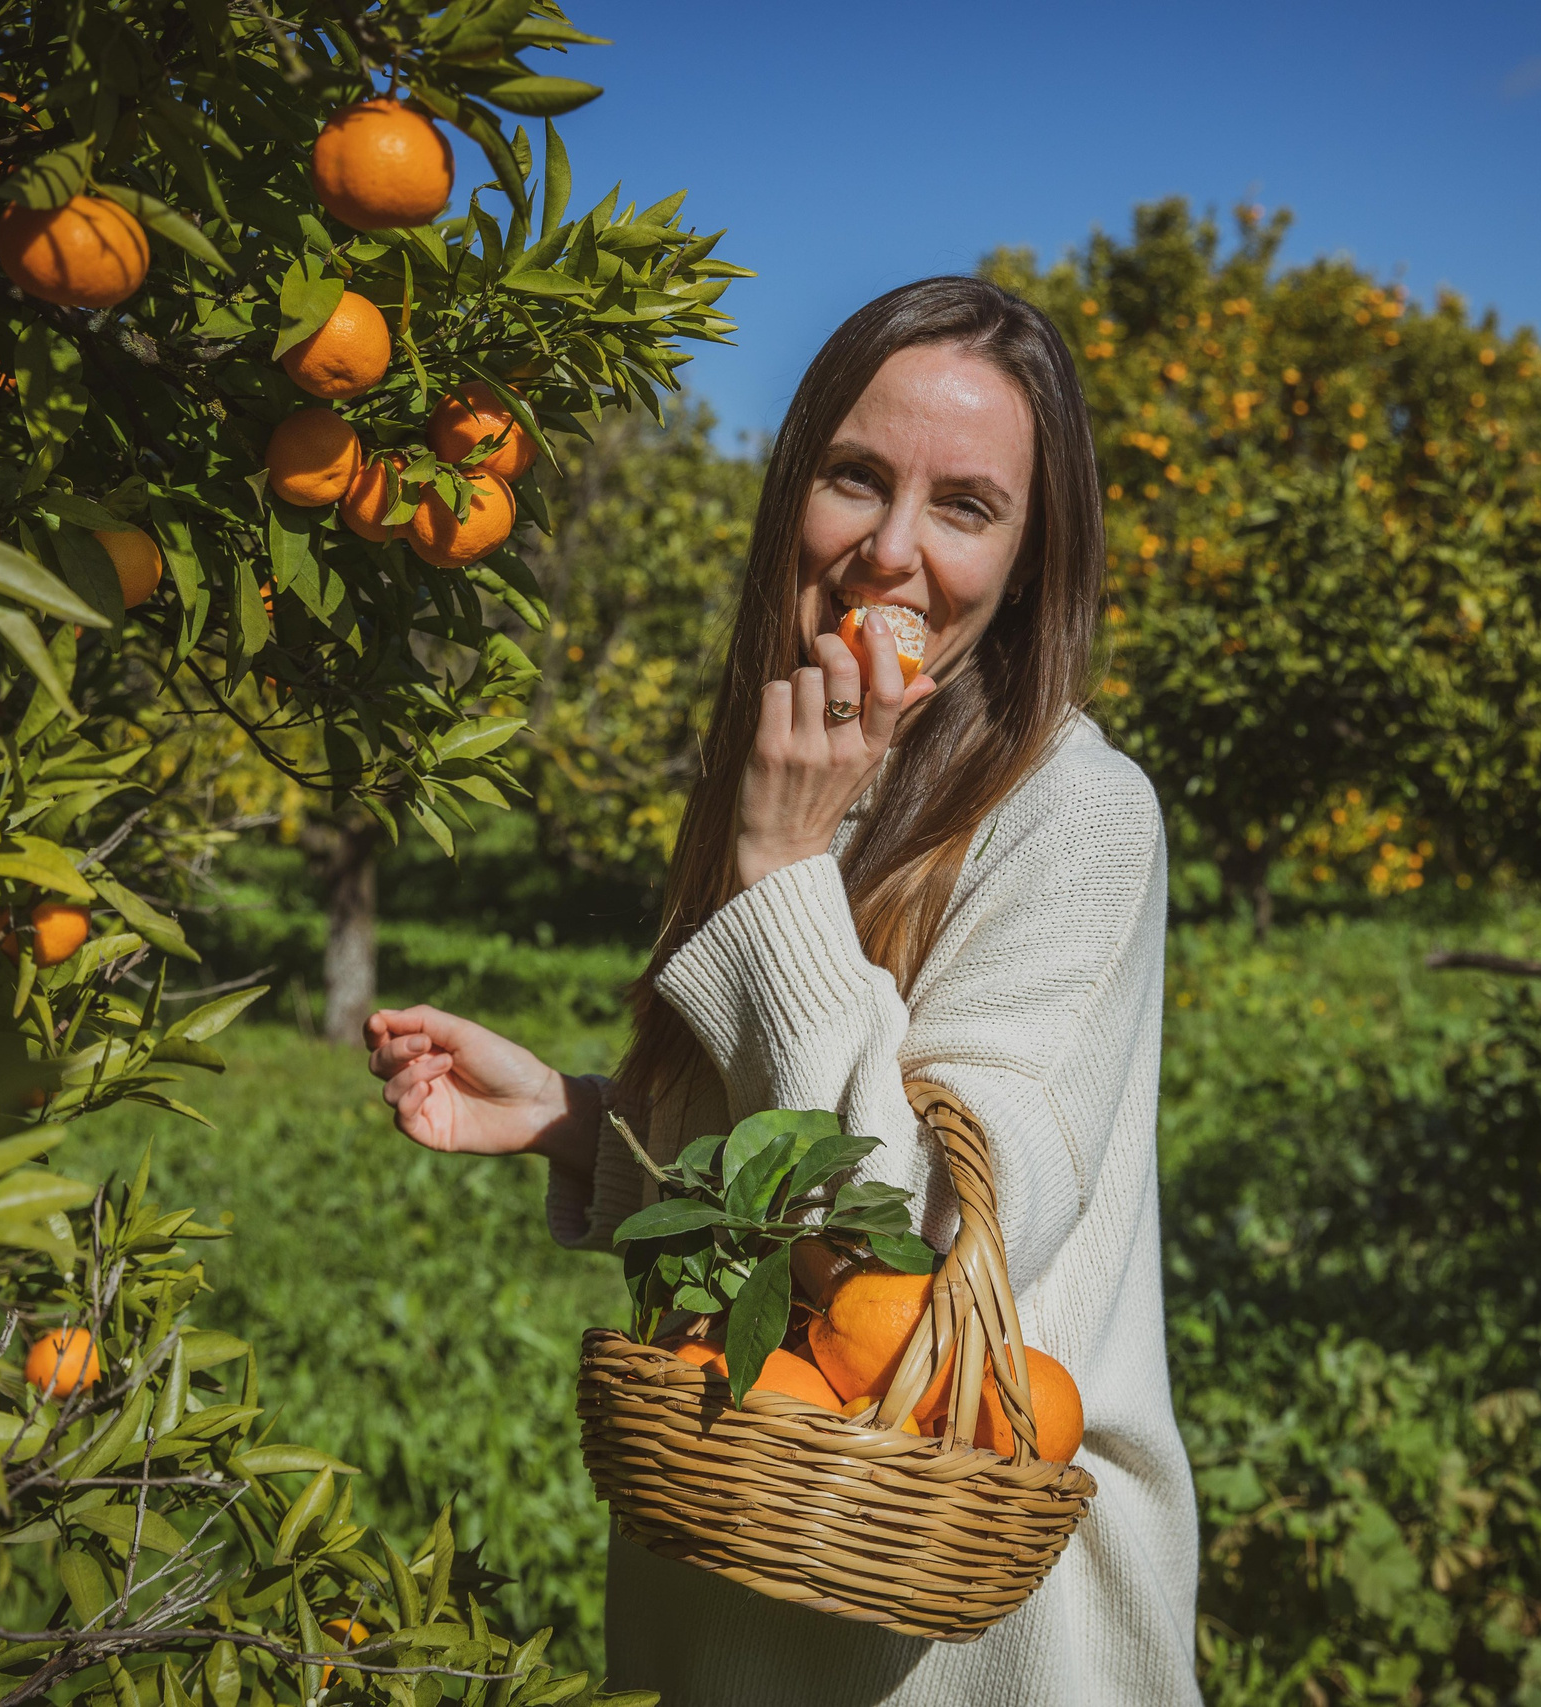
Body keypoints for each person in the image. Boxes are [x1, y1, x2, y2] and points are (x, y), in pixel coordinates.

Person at [365, 276, 1200, 1706]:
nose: (890, 552)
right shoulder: (822, 772)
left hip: (971, 1646)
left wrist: (778, 865)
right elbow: (782, 1184)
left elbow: (913, 1234)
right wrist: (588, 1119)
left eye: (966, 506)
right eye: (857, 478)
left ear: (1028, 556)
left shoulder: (1081, 814)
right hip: (744, 1587)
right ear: (790, 488)